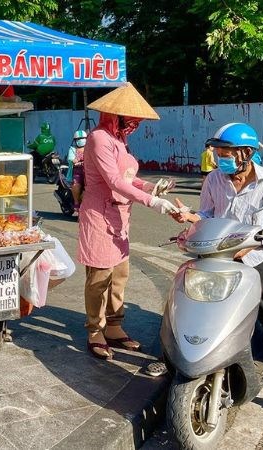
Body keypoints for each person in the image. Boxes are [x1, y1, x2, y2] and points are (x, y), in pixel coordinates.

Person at [173, 122, 263, 426]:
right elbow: (207, 215)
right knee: (184, 296)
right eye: (218, 151)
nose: (220, 157)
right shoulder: (213, 180)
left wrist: (248, 252)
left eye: (226, 152)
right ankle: (171, 359)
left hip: (257, 256)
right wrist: (190, 216)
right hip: (218, 255)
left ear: (246, 153)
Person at [78, 83, 179, 360]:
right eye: (130, 119)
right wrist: (152, 202)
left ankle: (114, 326)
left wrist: (150, 187)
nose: (135, 124)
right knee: (99, 277)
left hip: (120, 216)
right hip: (99, 215)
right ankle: (94, 329)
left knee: (120, 275)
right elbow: (111, 180)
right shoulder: (99, 138)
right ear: (115, 115)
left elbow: (126, 179)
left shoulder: (120, 140)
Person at [67, 129, 88, 210]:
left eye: (83, 138)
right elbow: (71, 159)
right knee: (76, 185)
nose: (81, 141)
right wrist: (75, 161)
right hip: (77, 172)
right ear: (75, 140)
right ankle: (76, 203)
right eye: (79, 139)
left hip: (88, 171)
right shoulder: (72, 149)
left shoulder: (89, 148)